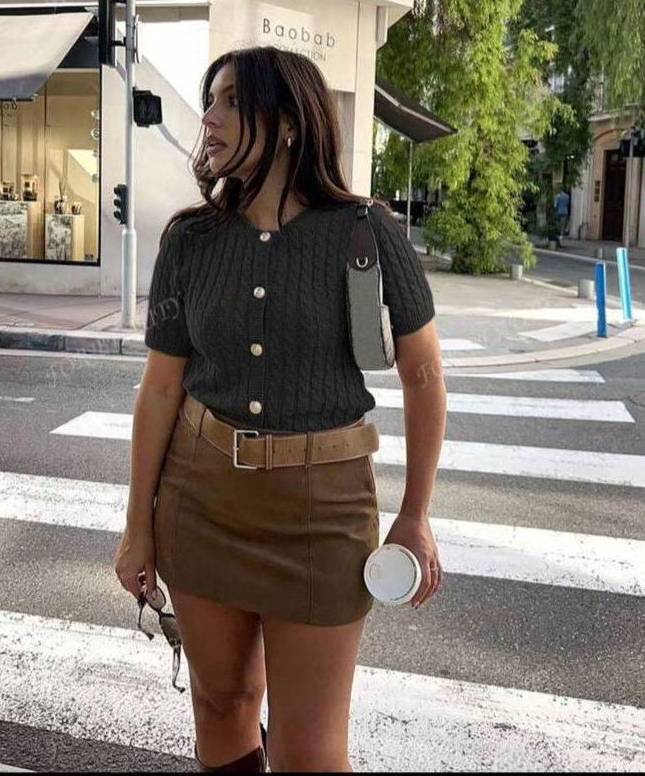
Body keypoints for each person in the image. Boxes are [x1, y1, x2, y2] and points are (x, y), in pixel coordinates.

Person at [113, 46, 447, 773]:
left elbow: (423, 376)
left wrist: (415, 514)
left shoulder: (367, 232)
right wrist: (138, 525)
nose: (210, 117)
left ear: (290, 122)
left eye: (233, 100)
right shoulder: (189, 240)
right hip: (202, 503)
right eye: (211, 99)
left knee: (309, 751)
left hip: (323, 512)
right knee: (221, 705)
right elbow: (161, 389)